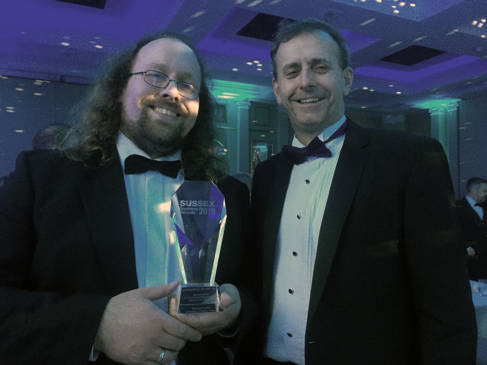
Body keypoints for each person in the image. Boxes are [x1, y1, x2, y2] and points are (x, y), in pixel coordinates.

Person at [0, 32, 254, 365]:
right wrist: (97, 326)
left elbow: (250, 291)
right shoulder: (42, 178)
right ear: (121, 89)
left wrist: (234, 312)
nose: (171, 91)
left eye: (187, 84)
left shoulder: (227, 193)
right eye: (155, 75)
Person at [248, 19, 476, 365]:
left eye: (320, 67)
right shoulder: (266, 174)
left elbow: (446, 299)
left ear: (347, 79)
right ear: (278, 91)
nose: (306, 81)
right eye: (292, 71)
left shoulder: (410, 158)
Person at [456, 177, 487, 280]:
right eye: (485, 191)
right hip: (469, 264)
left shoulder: (485, 206)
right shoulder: (456, 208)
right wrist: (467, 247)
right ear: (474, 190)